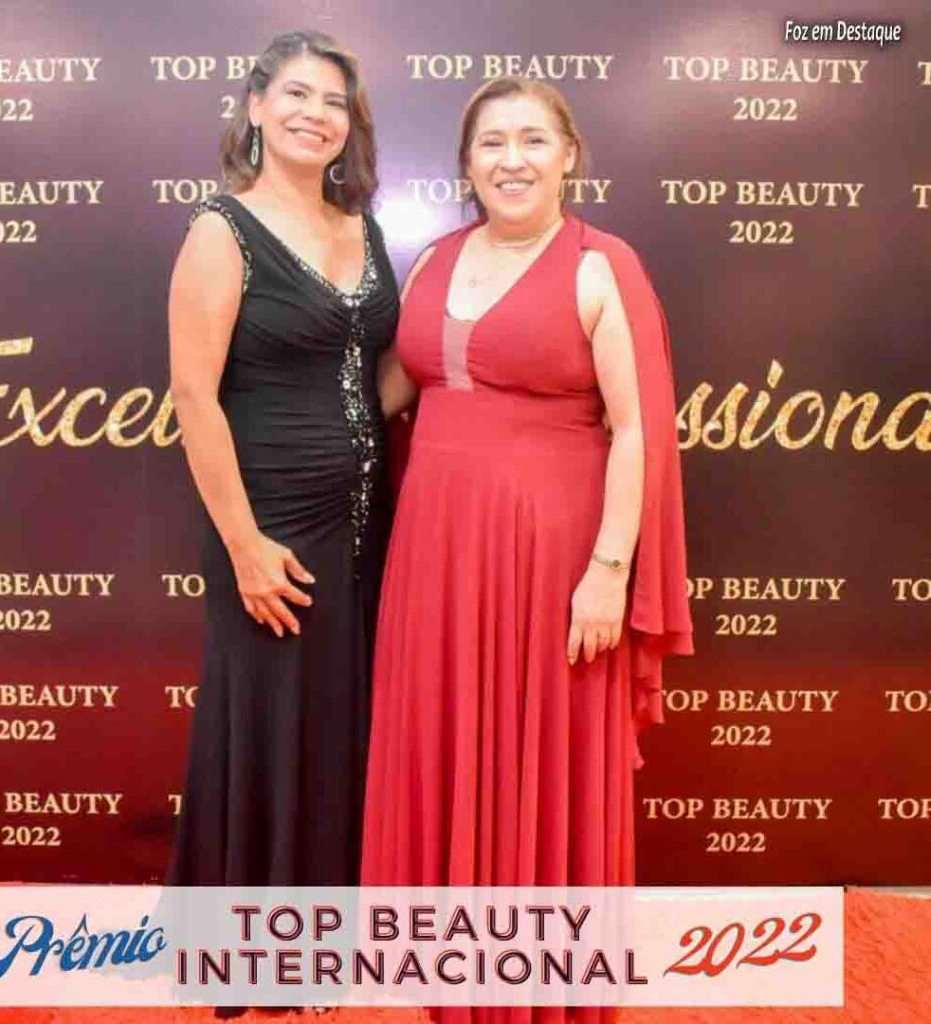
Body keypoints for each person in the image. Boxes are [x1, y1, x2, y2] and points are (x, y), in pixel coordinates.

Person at [362, 76, 694, 1024]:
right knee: (447, 748)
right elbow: (395, 390)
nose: (512, 160)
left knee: (540, 766)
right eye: (492, 143)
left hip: (553, 565)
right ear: (465, 164)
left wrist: (609, 571)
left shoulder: (602, 265)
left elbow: (637, 431)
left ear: (569, 155)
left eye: (533, 140)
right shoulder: (435, 260)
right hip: (435, 558)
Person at [165, 28, 398, 913]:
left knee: (341, 721)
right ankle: (246, 938)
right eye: (297, 94)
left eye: (336, 102)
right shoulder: (221, 229)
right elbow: (194, 396)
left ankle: (332, 923)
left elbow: (376, 374)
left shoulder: (363, 227)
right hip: (268, 523)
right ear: (257, 107)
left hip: (367, 523)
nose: (317, 114)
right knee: (268, 725)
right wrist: (243, 547)